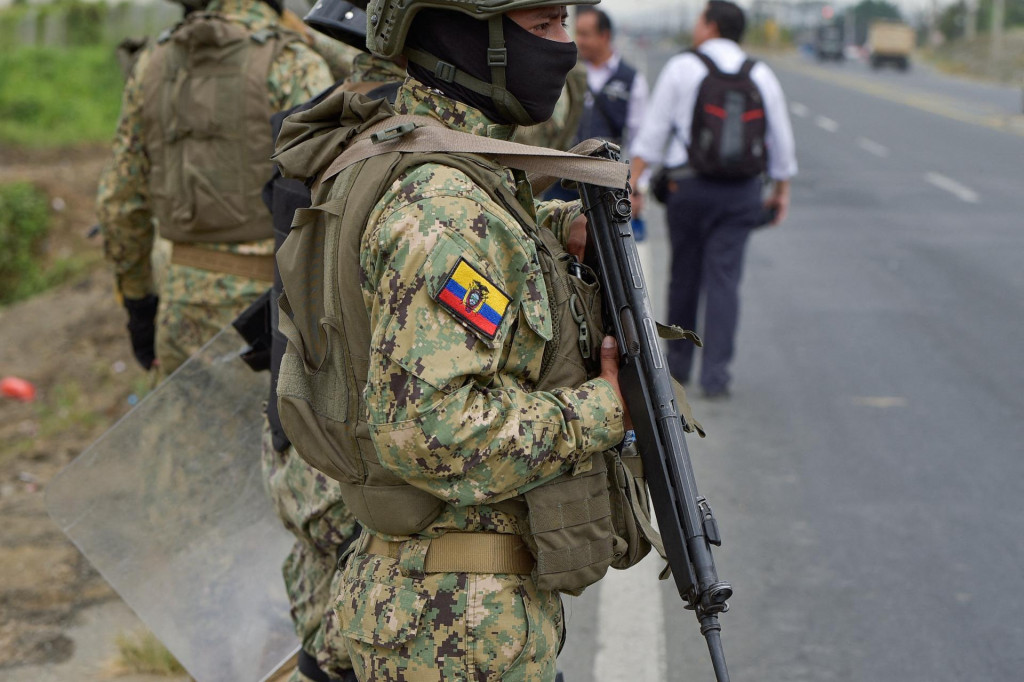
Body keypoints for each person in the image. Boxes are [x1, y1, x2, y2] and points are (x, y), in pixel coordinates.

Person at [270, 0, 653, 677]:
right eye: (542, 27)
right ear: (467, 38)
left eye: (566, 23)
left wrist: (550, 228)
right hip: (455, 628)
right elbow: (431, 433)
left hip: (443, 607)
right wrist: (603, 410)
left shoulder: (423, 153)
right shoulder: (447, 207)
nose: (563, 47)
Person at [257, 2, 404, 680]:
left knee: (320, 615)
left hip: (299, 418)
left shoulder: (322, 121)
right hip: (351, 437)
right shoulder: (401, 143)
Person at [96, 0, 334, 379]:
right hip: (272, 314)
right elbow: (332, 197)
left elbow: (120, 201)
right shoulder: (293, 61)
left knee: (185, 436)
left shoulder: (152, 63)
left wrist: (139, 305)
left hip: (181, 308)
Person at [630, 0, 797, 399]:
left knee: (684, 275)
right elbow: (781, 141)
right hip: (741, 193)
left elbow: (653, 134)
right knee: (725, 280)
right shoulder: (761, 74)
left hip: (687, 189)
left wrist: (635, 181)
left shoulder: (683, 67)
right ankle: (717, 376)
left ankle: (679, 368)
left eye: (700, 19)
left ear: (711, 26)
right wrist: (781, 192)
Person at [574, 8, 648, 149]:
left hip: (609, 168)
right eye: (577, 33)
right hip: (568, 166)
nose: (579, 40)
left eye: (584, 35)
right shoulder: (571, 73)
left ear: (604, 36)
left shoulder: (632, 80)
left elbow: (638, 136)